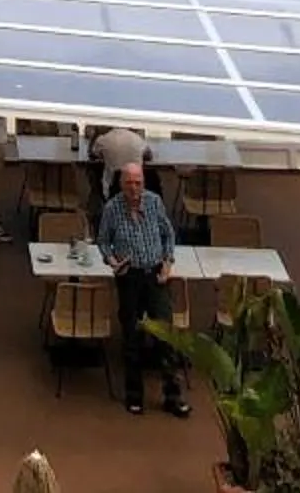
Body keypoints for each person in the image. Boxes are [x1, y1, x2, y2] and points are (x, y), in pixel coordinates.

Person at [96, 161, 187, 419]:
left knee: (166, 337)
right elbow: (103, 241)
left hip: (156, 276)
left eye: (138, 183)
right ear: (121, 184)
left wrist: (168, 263)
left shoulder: (155, 202)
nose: (134, 188)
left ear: (143, 183)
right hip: (130, 278)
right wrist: (112, 261)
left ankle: (173, 396)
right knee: (132, 339)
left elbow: (168, 235)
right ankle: (134, 396)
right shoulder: (112, 209)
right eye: (129, 183)